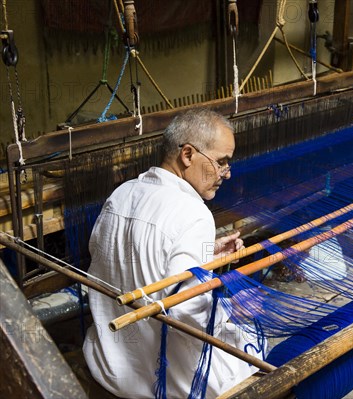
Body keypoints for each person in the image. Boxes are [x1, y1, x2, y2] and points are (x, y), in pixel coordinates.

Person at [83, 109, 261, 398]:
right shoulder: (194, 214)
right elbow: (186, 312)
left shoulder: (121, 194)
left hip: (109, 366)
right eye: (221, 162)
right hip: (160, 381)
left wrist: (207, 252)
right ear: (188, 155)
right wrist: (230, 308)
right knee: (249, 352)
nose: (226, 174)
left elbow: (124, 257)